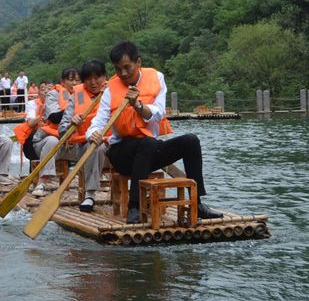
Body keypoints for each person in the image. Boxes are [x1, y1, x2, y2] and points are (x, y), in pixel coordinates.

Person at [86, 41, 223, 224]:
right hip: (121, 153)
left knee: (191, 141)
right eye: (118, 69)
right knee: (147, 143)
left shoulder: (156, 78)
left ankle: (197, 203)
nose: (123, 74)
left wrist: (138, 106)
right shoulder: (111, 87)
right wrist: (93, 133)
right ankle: (134, 206)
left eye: (127, 68)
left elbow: (157, 113)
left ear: (138, 62)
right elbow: (99, 121)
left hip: (149, 150)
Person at [58, 59, 109, 212]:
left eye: (97, 77)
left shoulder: (113, 91)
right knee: (95, 147)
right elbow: (62, 130)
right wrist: (71, 123)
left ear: (105, 76)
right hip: (87, 147)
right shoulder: (75, 96)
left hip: (114, 144)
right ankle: (90, 194)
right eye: (88, 79)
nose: (93, 82)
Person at [13, 80, 50, 191]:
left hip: (51, 137)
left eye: (49, 89)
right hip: (33, 139)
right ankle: (34, 176)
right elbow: (31, 123)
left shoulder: (59, 103)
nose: (46, 91)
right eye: (43, 89)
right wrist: (42, 116)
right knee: (37, 136)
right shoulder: (32, 104)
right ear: (38, 92)